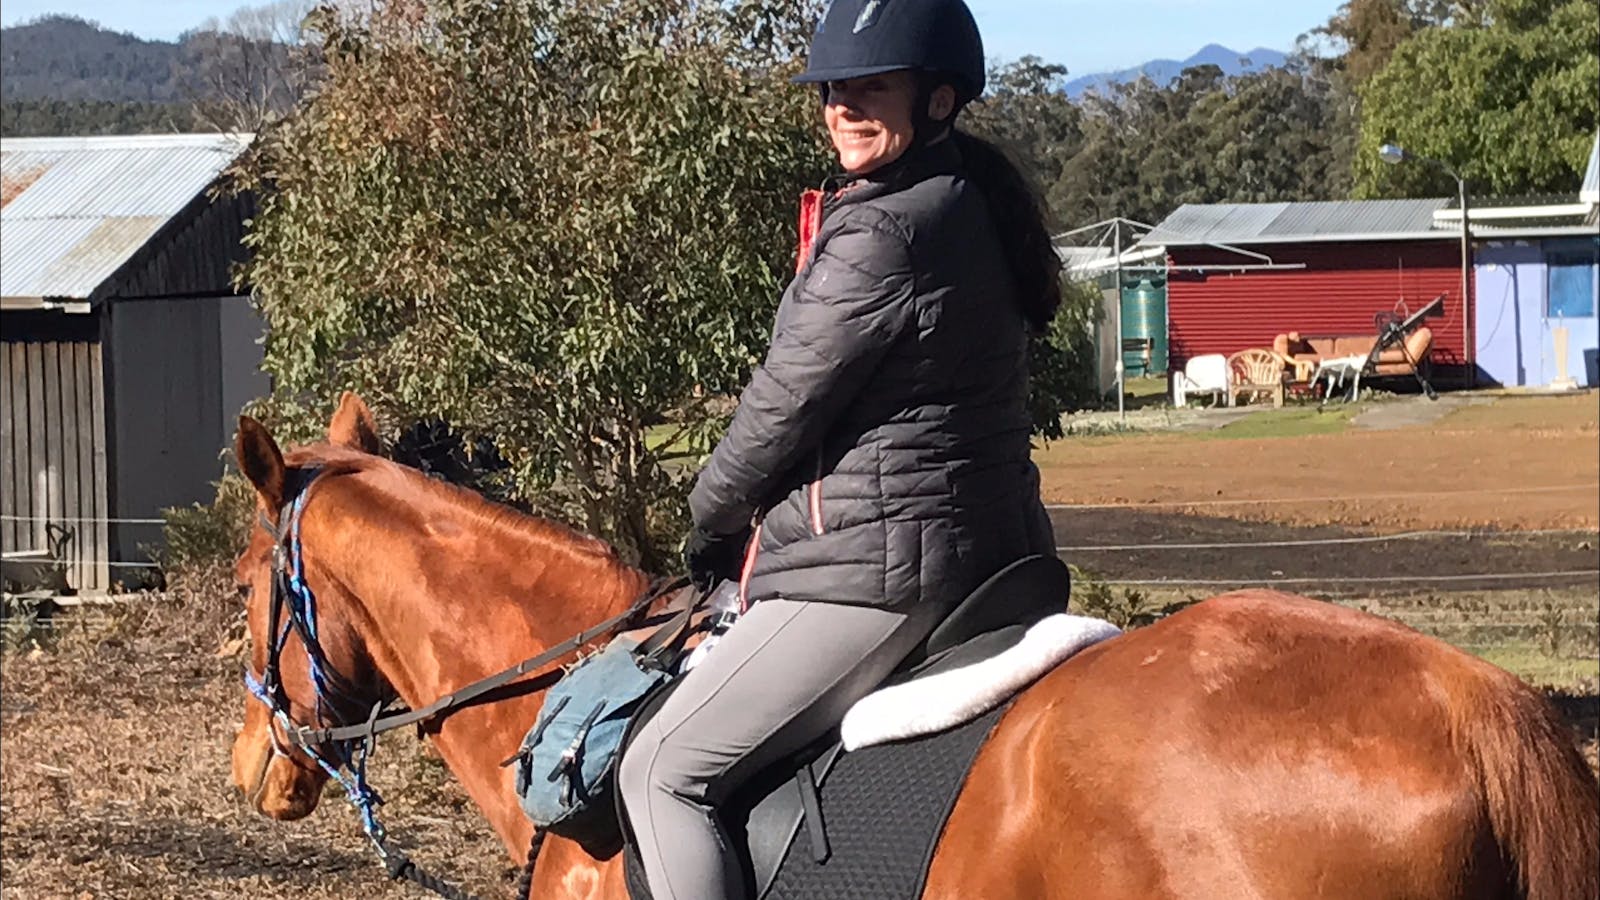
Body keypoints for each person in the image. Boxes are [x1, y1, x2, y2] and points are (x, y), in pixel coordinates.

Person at [616, 0, 1060, 895]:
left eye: (872, 87)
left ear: (938, 100)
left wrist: (709, 523)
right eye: (833, 88)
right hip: (991, 550)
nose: (845, 106)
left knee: (661, 771)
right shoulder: (962, 196)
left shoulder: (885, 230)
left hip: (879, 570)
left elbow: (780, 410)